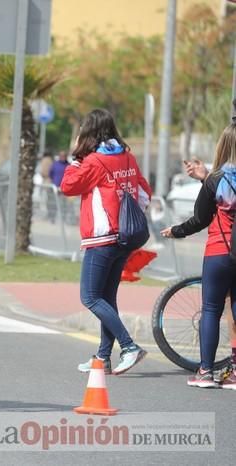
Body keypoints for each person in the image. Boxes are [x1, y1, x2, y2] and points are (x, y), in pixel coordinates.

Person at [60, 108, 151, 375]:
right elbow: (144, 189)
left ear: (88, 132)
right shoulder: (127, 157)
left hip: (102, 238)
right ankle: (102, 357)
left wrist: (76, 157)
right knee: (107, 298)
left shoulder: (93, 162)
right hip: (125, 236)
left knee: (90, 297)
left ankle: (129, 346)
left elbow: (67, 186)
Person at [161, 144, 236, 389]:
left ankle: (205, 372)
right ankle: (235, 372)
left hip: (219, 251)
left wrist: (177, 231)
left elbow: (200, 219)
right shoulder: (214, 178)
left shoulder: (215, 181)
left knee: (211, 309)